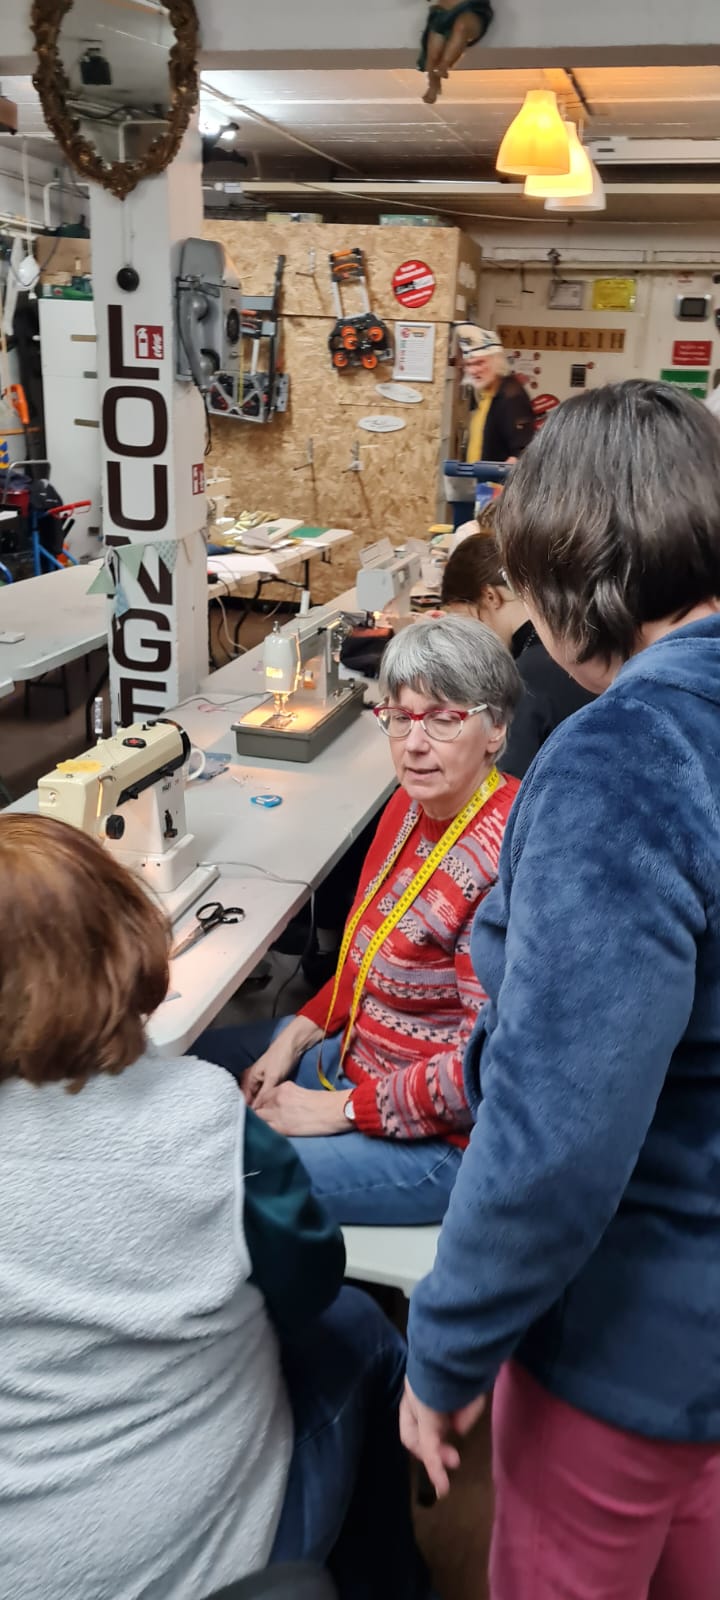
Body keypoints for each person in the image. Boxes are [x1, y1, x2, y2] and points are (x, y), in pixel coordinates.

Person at [400, 381, 720, 1600]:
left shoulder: (626, 754)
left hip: (636, 1340)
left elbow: (558, 1125)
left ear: (580, 575)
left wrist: (448, 1343)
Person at [0, 814, 429, 1600]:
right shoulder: (201, 1116)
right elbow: (310, 1279)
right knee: (362, 1329)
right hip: (173, 1565)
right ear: (118, 940)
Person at [196, 616, 521, 1226]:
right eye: (400, 717)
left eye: (443, 719)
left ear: (495, 729)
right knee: (176, 1073)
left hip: (438, 1140)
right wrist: (292, 1040)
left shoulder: (501, 865)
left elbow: (484, 1070)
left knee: (208, 1174)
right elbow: (360, 959)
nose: (414, 744)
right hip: (354, 1055)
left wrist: (337, 1111)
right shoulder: (409, 805)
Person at [441, 521, 595, 777]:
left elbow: (508, 778)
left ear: (491, 596)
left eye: (467, 622)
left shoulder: (529, 674)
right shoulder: (566, 634)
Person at [455, 323, 535, 464]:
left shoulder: (511, 396)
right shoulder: (486, 394)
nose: (473, 371)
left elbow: (522, 451)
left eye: (479, 363)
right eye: (469, 364)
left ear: (496, 362)